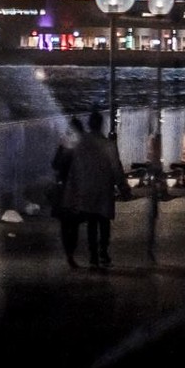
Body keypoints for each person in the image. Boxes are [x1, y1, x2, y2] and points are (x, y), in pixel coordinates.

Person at [61, 109, 127, 268]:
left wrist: (72, 191)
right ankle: (103, 252)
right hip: (104, 188)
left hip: (86, 189)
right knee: (104, 222)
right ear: (100, 125)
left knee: (91, 222)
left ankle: (93, 255)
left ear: (89, 124)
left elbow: (75, 169)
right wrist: (123, 186)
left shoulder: (81, 144)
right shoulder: (108, 144)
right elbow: (116, 167)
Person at [50, 115, 86, 268]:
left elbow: (55, 164)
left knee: (65, 224)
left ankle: (68, 253)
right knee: (75, 223)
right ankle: (71, 252)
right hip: (77, 189)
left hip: (63, 188)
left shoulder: (64, 144)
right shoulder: (82, 146)